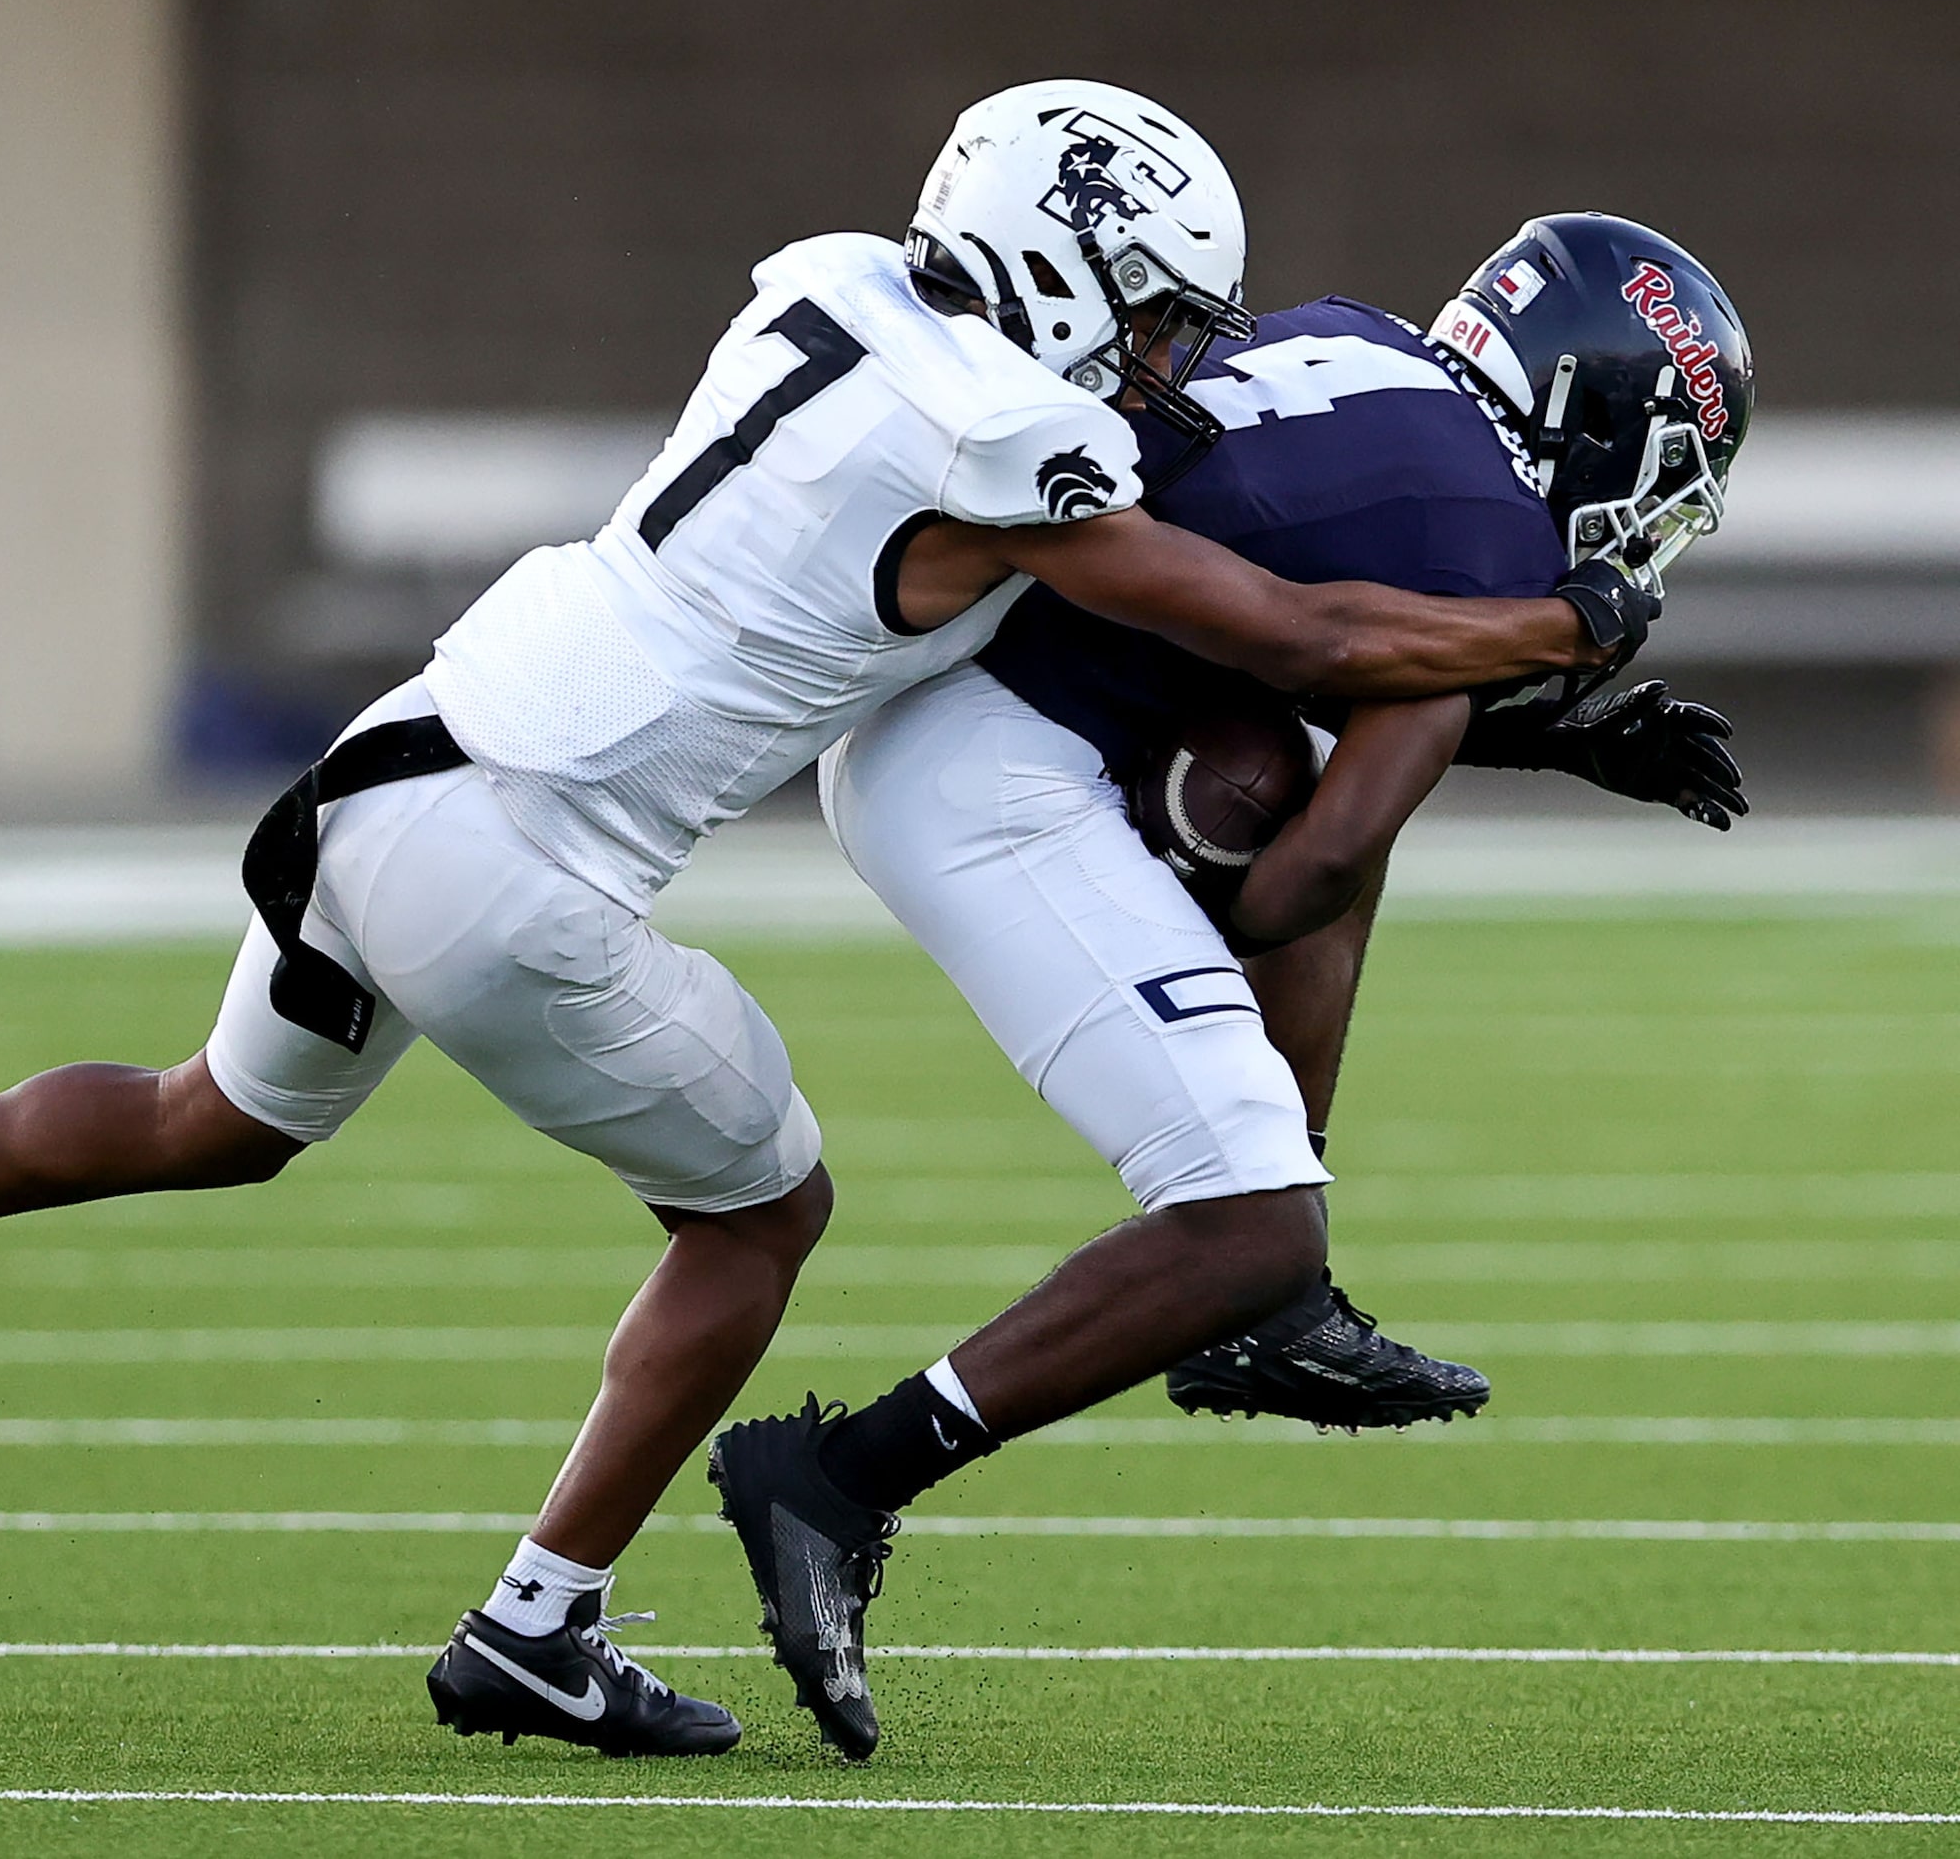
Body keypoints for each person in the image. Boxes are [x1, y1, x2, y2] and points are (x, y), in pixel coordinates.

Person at [0, 87, 1648, 1760]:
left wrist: (1516, 718)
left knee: (202, 1118)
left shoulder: (831, 286)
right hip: (517, 857)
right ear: (1052, 260)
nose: (1154, 366)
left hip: (395, 754)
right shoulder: (997, 434)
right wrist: (1566, 629)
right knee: (761, 1216)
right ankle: (536, 1624)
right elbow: (1296, 632)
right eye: (1141, 320)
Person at [707, 211, 1754, 1759]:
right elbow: (1304, 872)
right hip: (990, 778)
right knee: (1248, 1207)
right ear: (1601, 417)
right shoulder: (1493, 545)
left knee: (1330, 781)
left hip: (958, 699)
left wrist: (1525, 728)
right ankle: (840, 1473)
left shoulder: (1356, 340)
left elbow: (1285, 585)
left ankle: (1272, 1309)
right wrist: (1209, 867)